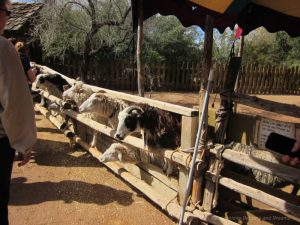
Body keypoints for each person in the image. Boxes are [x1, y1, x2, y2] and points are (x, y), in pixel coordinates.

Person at [0, 0, 37, 224]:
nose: (7, 18)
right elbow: (14, 103)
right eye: (6, 11)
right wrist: (24, 143)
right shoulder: (3, 49)